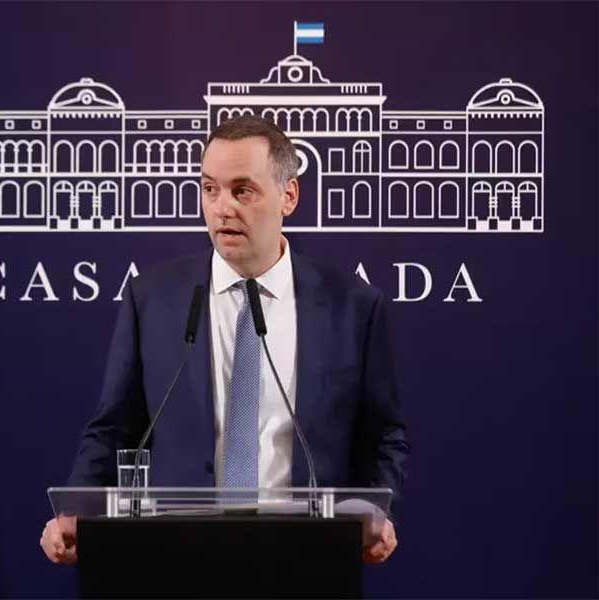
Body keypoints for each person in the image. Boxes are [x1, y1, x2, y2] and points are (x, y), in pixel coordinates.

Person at [40, 115, 409, 566]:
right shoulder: (152, 299)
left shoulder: (352, 306)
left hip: (306, 561)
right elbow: (112, 429)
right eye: (209, 189)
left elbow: (384, 435)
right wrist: (75, 510)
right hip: (175, 559)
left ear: (289, 195)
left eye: (242, 190)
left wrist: (375, 513)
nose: (222, 208)